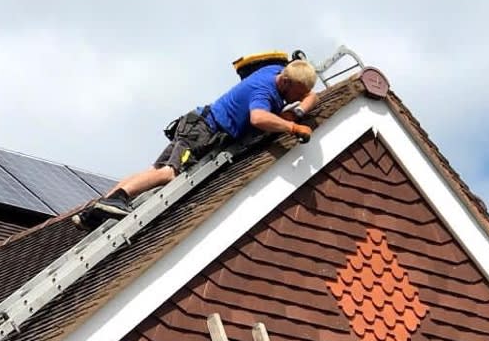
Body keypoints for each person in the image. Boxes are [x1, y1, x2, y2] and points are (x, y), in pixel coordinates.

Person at [73, 59, 319, 230]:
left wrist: (296, 111)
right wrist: (293, 127)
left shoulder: (276, 70)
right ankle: (117, 199)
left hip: (197, 123)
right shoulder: (263, 92)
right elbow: (258, 118)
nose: (297, 99)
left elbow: (311, 95)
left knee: (154, 171)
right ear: (285, 82)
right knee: (169, 174)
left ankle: (97, 210)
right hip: (204, 132)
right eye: (296, 94)